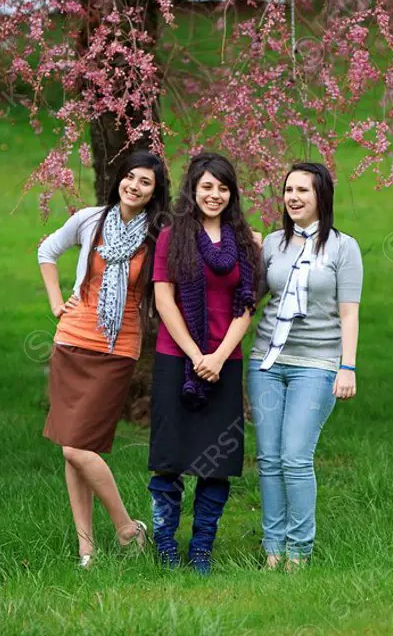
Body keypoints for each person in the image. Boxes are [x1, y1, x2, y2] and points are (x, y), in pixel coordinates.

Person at [38, 150, 171, 569]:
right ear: (119, 179)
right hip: (72, 341)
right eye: (129, 177)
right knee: (70, 450)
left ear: (154, 192)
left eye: (144, 182)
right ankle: (86, 549)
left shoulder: (158, 235)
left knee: (78, 448)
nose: (134, 185)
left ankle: (128, 529)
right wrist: (58, 301)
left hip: (116, 348)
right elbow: (47, 249)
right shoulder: (91, 219)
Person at [147, 152, 261, 575]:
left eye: (223, 187)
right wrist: (197, 356)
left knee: (218, 464)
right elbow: (163, 300)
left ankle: (200, 551)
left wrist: (217, 355)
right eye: (207, 186)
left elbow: (246, 304)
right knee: (170, 456)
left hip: (225, 361)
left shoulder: (246, 240)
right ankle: (165, 546)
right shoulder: (171, 237)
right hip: (177, 359)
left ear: (232, 193)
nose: (215, 194)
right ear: (193, 189)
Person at [247, 161, 363, 571]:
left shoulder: (343, 248)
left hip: (317, 363)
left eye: (303, 191)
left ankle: (299, 551)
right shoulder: (273, 244)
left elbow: (349, 313)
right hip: (267, 361)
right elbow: (252, 298)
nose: (293, 198)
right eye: (288, 190)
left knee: (295, 456)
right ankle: (273, 550)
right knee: (269, 458)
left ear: (321, 197)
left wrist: (347, 367)